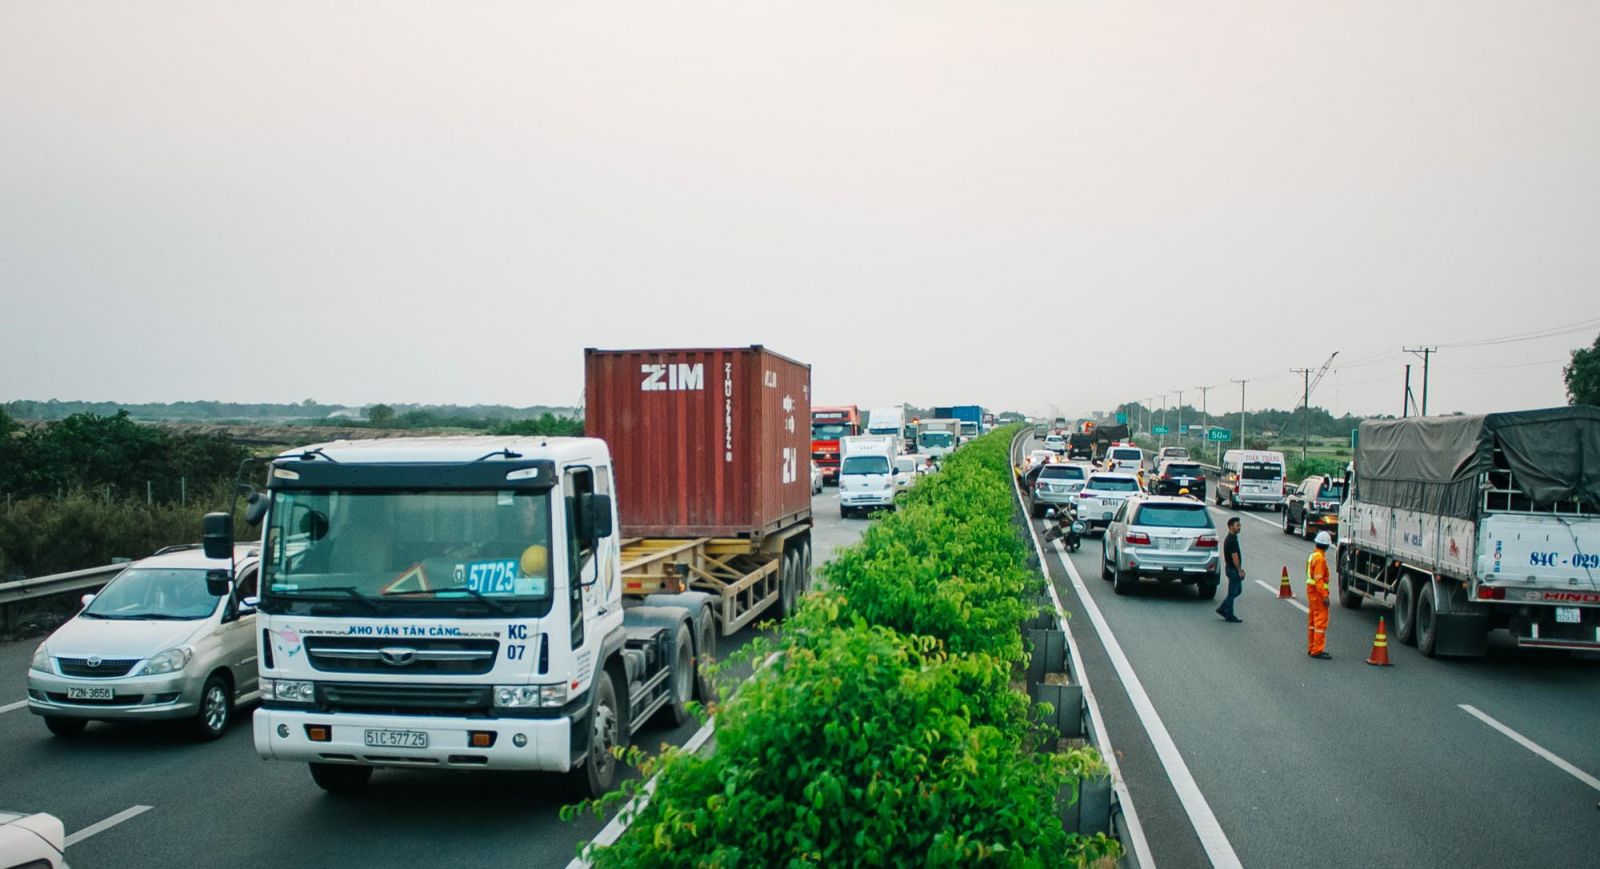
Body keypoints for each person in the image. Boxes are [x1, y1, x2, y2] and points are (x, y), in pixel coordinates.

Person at [1307, 531, 1333, 659]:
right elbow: (1319, 579)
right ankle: (1317, 649)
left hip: (1312, 593)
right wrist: (1325, 595)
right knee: (1320, 622)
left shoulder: (1314, 556)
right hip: (1318, 595)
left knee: (1313, 622)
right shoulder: (1320, 559)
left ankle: (1312, 647)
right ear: (1327, 546)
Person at [1217, 517, 1243, 622]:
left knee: (1237, 591)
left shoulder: (1232, 538)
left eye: (1239, 525)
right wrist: (1239, 570)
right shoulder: (1231, 540)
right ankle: (1229, 614)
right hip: (1233, 570)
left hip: (1231, 569)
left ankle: (1223, 608)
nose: (1239, 527)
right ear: (1231, 526)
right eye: (1237, 525)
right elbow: (1234, 557)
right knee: (1233, 593)